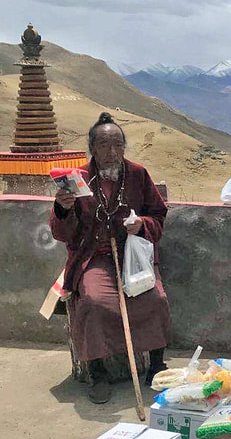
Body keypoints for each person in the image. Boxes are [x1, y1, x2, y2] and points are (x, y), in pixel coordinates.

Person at [50, 112, 170, 404]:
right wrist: (63, 209)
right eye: (104, 145)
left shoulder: (138, 174)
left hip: (132, 256)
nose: (112, 152)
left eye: (118, 145)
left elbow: (158, 215)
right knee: (93, 301)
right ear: (92, 148)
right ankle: (98, 371)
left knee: (154, 298)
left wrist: (142, 224)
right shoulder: (76, 179)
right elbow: (62, 233)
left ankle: (156, 365)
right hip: (93, 258)